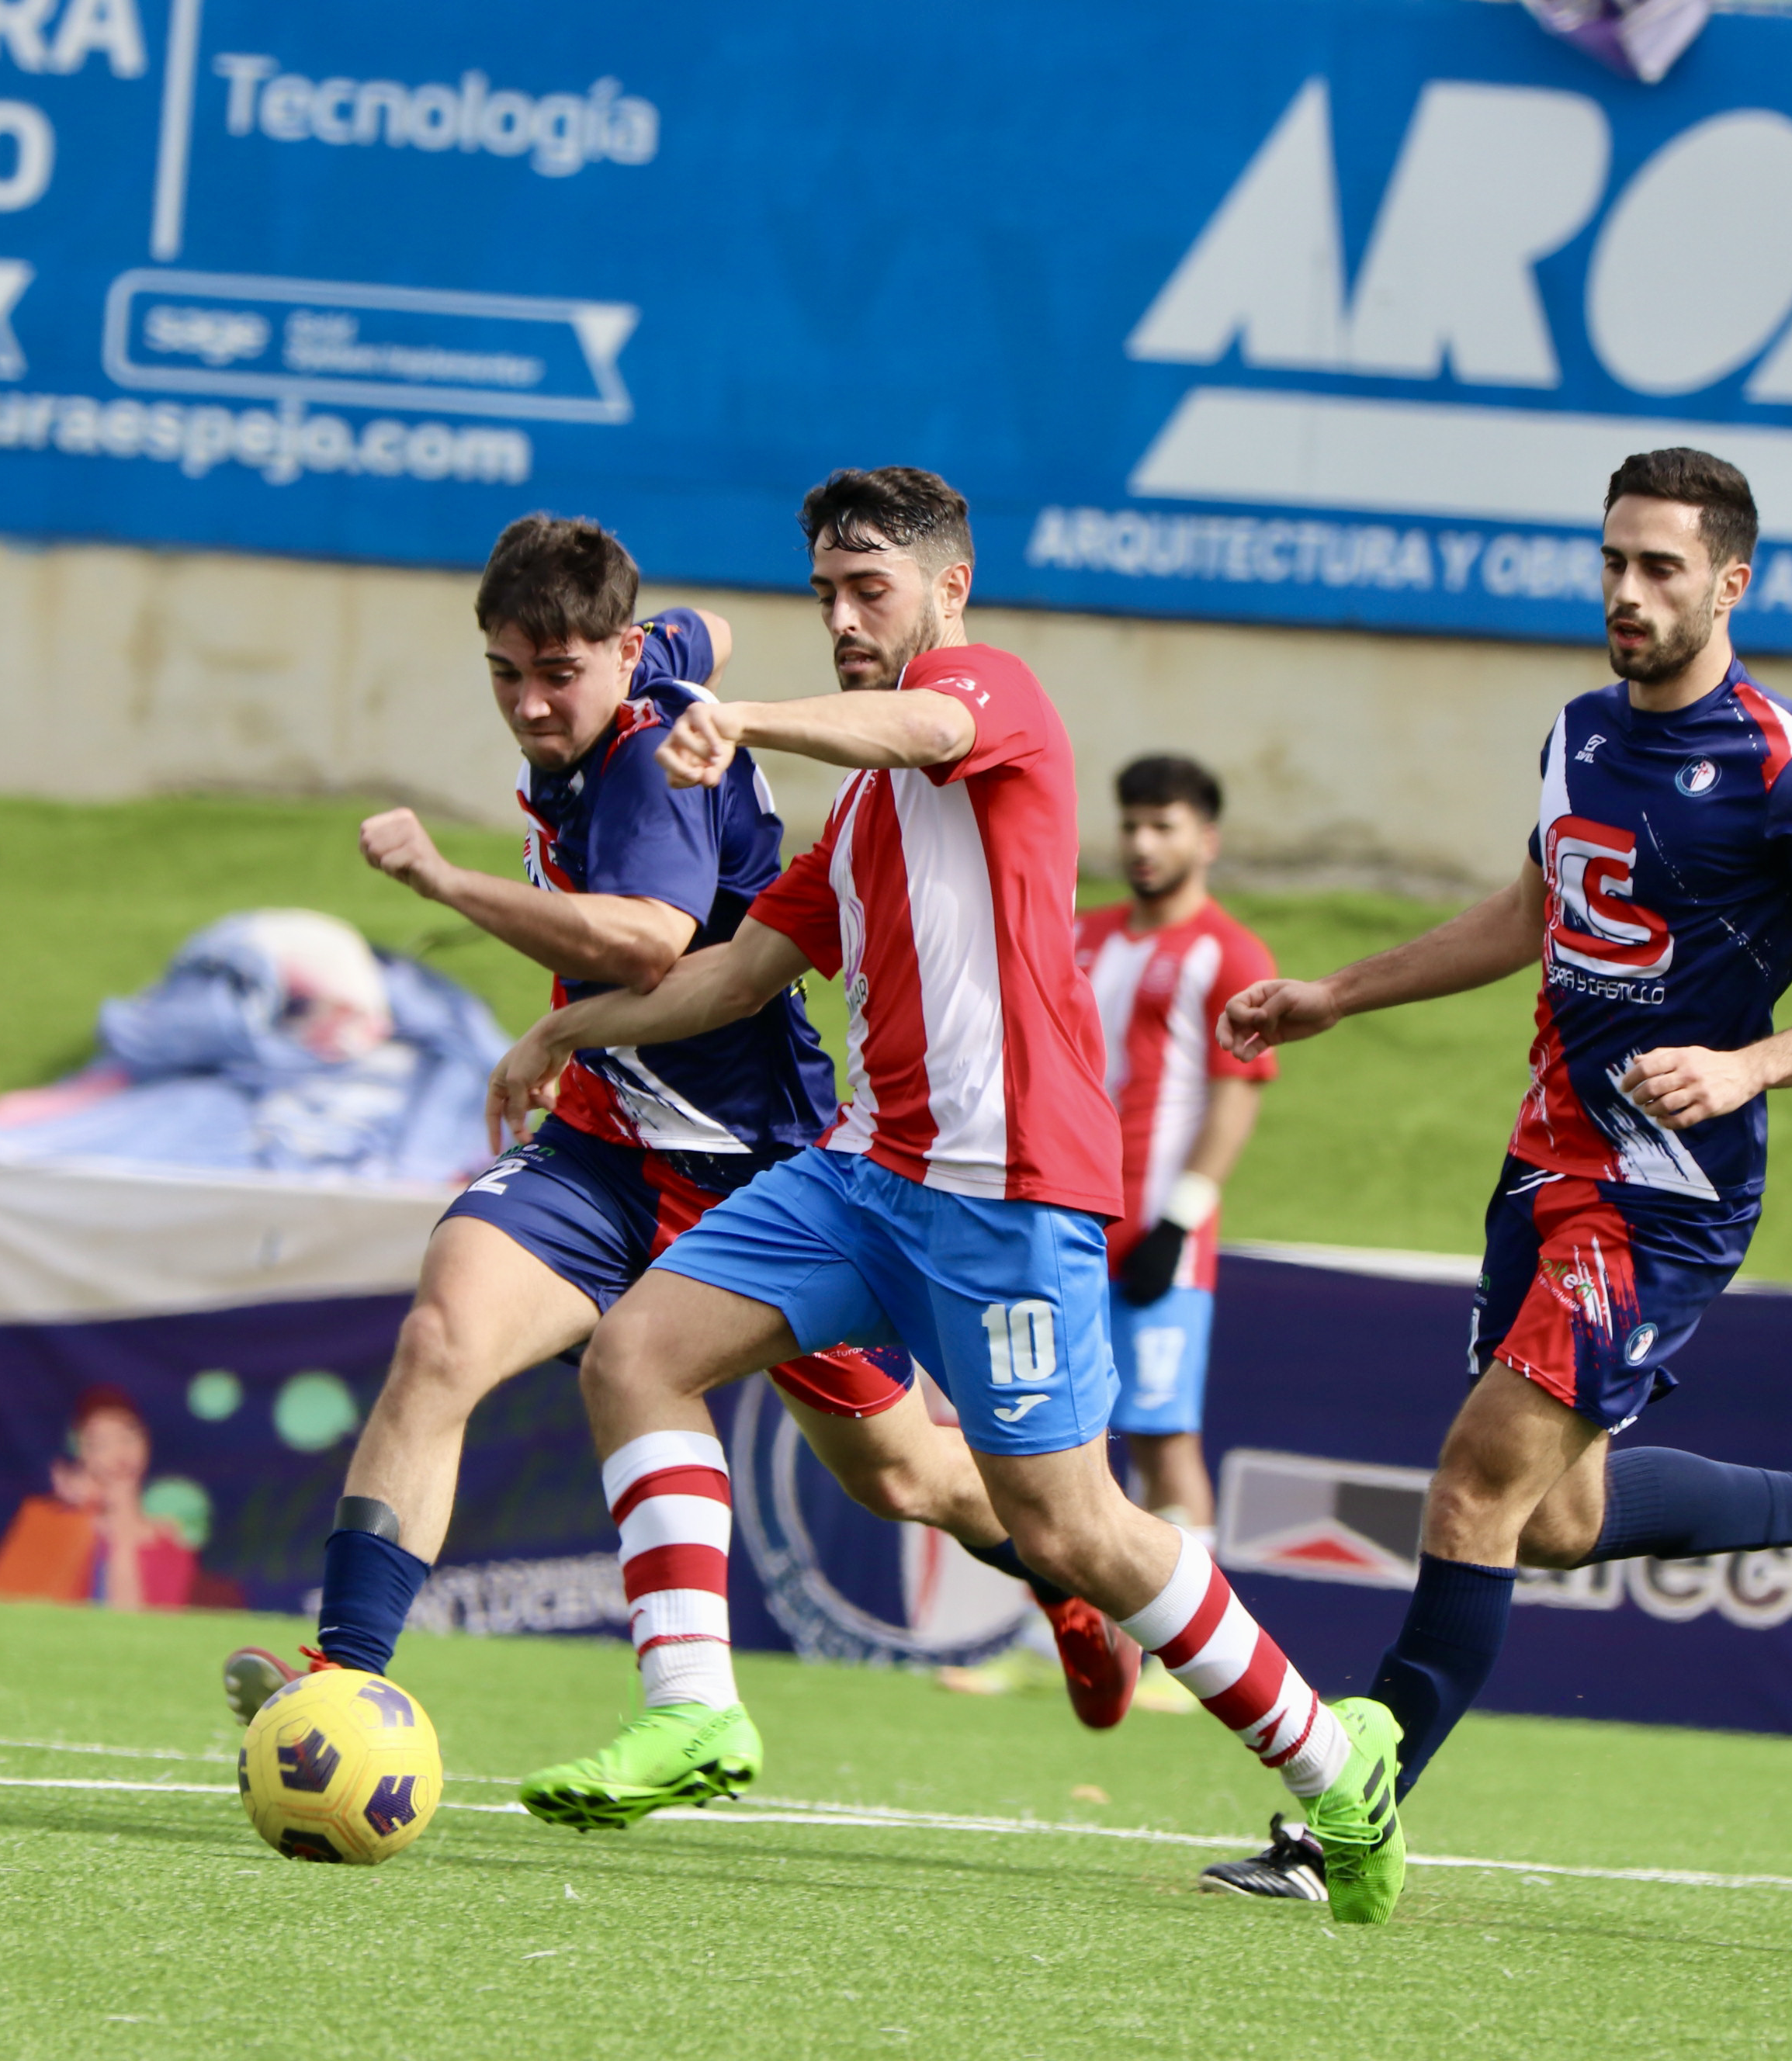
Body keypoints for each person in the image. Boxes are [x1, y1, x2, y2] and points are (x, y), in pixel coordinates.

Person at [483, 467, 1409, 1924]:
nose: (847, 619)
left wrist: (751, 716)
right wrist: (559, 1031)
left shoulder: (993, 697)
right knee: (634, 1354)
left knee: (1072, 1533)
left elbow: (921, 723)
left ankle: (1327, 1755)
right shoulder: (854, 818)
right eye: (826, 596)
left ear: (944, 590)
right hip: (862, 1178)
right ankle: (692, 1707)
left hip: (1011, 1193)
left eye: (871, 591)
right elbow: (731, 973)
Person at [221, 514, 1141, 1731]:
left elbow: (648, 944)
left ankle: (1070, 1586)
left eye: (560, 676)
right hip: (602, 1150)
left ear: (615, 656)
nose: (534, 706)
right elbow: (692, 628)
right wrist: (649, 644)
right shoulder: (633, 662)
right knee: (443, 1337)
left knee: (906, 1476)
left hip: (755, 1162)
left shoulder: (654, 752)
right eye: (507, 674)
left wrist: (444, 881)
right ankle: (343, 1679)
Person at [1197, 448, 1792, 1903]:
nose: (1624, 590)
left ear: (1730, 582)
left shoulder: (1791, 769)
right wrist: (1339, 992)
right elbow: (1535, 909)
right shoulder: (1577, 732)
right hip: (1543, 1167)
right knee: (1556, 1521)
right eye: (1610, 560)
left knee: (1473, 1486)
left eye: (1659, 567)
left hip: (1660, 1198)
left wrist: (1745, 1067)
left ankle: (1344, 1817)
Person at [1077, 754, 1275, 1536]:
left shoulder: (1230, 953)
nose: (1142, 843)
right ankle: (1064, 1643)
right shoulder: (1078, 937)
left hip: (1161, 1248)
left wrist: (1176, 1223)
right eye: (1131, 824)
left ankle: (1181, 1656)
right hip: (1068, 1233)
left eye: (1164, 825)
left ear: (1208, 840)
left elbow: (1235, 1099)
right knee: (1064, 1450)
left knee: (1163, 1445)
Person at [0, 1386, 199, 1611]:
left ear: (146, 1443)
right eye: (101, 1444)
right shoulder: (51, 1523)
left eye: (128, 1436)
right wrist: (81, 1515)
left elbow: (144, 1627)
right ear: (82, 1454)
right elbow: (1, 1607)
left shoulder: (171, 1544)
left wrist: (121, 1535)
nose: (119, 1452)